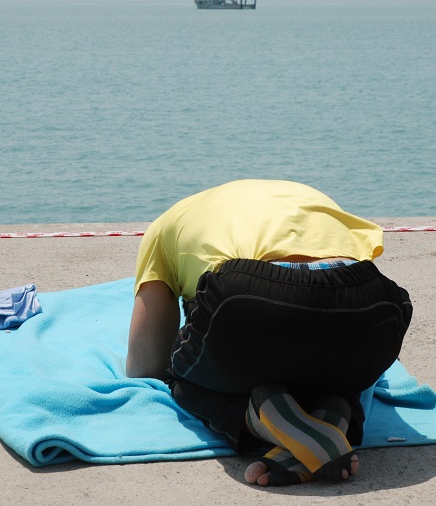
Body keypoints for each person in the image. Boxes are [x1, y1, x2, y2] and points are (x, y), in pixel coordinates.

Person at [126, 179, 412, 486]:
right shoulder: (311, 195)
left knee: (178, 375)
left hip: (248, 296)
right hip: (372, 304)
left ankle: (256, 416)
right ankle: (337, 407)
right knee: (338, 351)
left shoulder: (166, 225)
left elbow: (146, 364)